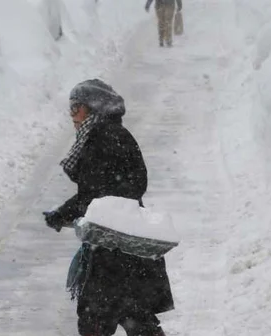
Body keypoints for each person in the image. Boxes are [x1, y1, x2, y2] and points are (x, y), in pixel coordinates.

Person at [43, 79, 174, 336]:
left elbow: (94, 195)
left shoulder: (102, 138)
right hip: (125, 243)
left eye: (75, 108)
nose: (72, 115)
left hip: (111, 249)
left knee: (95, 319)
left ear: (92, 107)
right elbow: (115, 188)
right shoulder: (112, 134)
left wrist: (64, 214)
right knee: (134, 316)